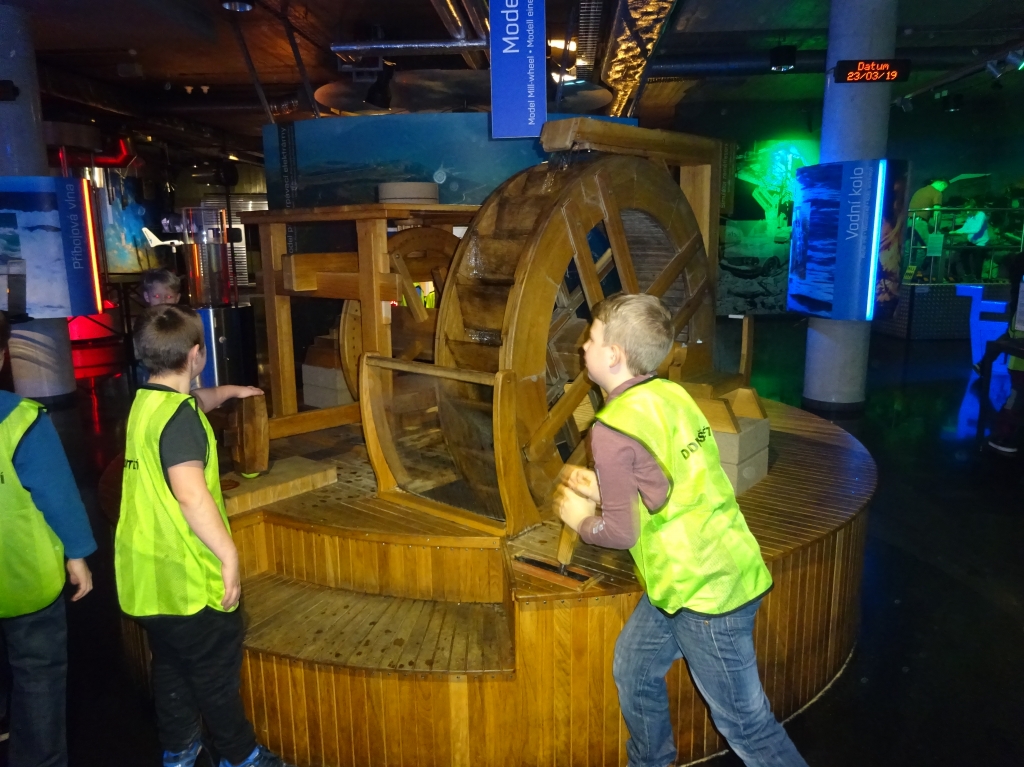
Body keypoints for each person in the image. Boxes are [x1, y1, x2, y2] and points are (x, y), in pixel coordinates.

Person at [555, 294, 807, 767]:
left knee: (747, 726)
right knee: (634, 668)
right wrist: (606, 489)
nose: (583, 345)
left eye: (591, 337)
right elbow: (669, 482)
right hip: (704, 570)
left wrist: (581, 520)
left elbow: (621, 533)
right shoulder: (671, 394)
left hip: (706, 594)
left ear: (614, 355)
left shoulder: (611, 430)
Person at [114, 305, 285, 767]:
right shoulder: (181, 419)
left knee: (171, 665)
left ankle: (179, 749)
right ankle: (241, 756)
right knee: (215, 674)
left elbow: (195, 401)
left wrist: (230, 392)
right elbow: (190, 494)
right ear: (196, 355)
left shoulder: (146, 404)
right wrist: (228, 555)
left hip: (147, 577)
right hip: (187, 580)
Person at [0, 310, 96, 767]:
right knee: (37, 672)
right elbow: (56, 494)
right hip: (24, 578)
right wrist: (77, 553)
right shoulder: (21, 419)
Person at [908, 177, 949, 244]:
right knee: (928, 245)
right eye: (944, 188)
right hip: (920, 223)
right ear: (942, 184)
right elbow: (937, 212)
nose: (943, 190)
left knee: (910, 246)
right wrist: (937, 228)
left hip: (909, 221)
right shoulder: (937, 193)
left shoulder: (920, 191)